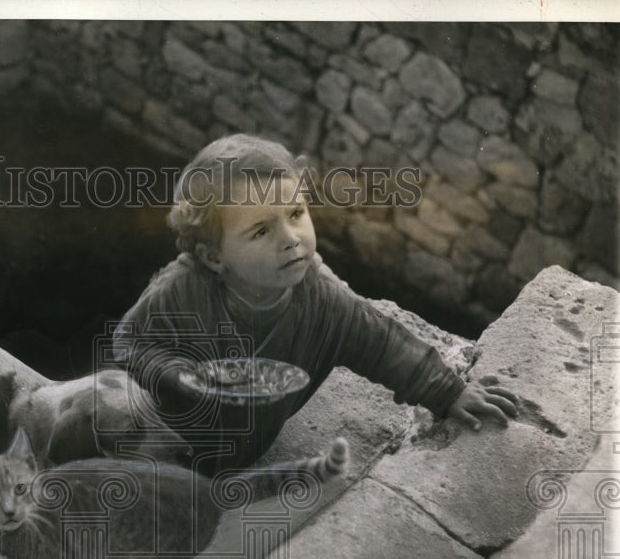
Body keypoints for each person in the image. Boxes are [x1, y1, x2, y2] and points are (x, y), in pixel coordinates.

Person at [112, 134, 517, 474]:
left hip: (245, 453)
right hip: (164, 445)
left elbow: (381, 343)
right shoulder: (183, 289)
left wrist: (449, 393)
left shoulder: (319, 298)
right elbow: (129, 343)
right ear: (215, 257)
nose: (290, 238)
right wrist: (178, 375)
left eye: (296, 213)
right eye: (260, 231)